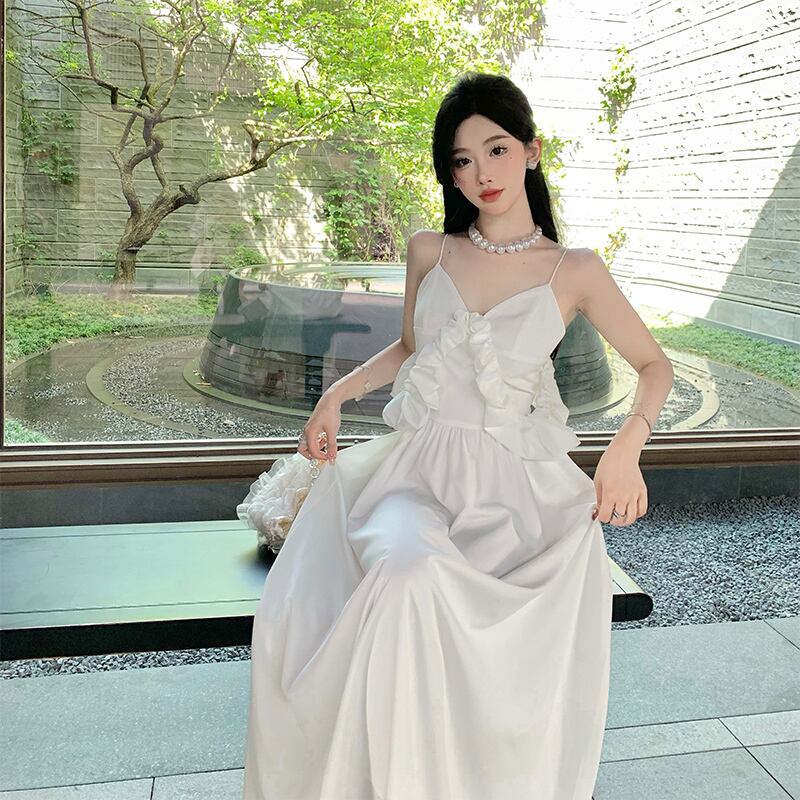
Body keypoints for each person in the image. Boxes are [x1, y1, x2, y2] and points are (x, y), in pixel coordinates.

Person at [242, 71, 675, 800]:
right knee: (409, 573)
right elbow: (413, 348)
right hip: (417, 473)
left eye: (497, 150)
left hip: (518, 492)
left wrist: (625, 447)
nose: (482, 174)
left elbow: (654, 366)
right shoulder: (430, 251)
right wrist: (337, 396)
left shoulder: (574, 270)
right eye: (463, 160)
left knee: (479, 626)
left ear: (532, 150)